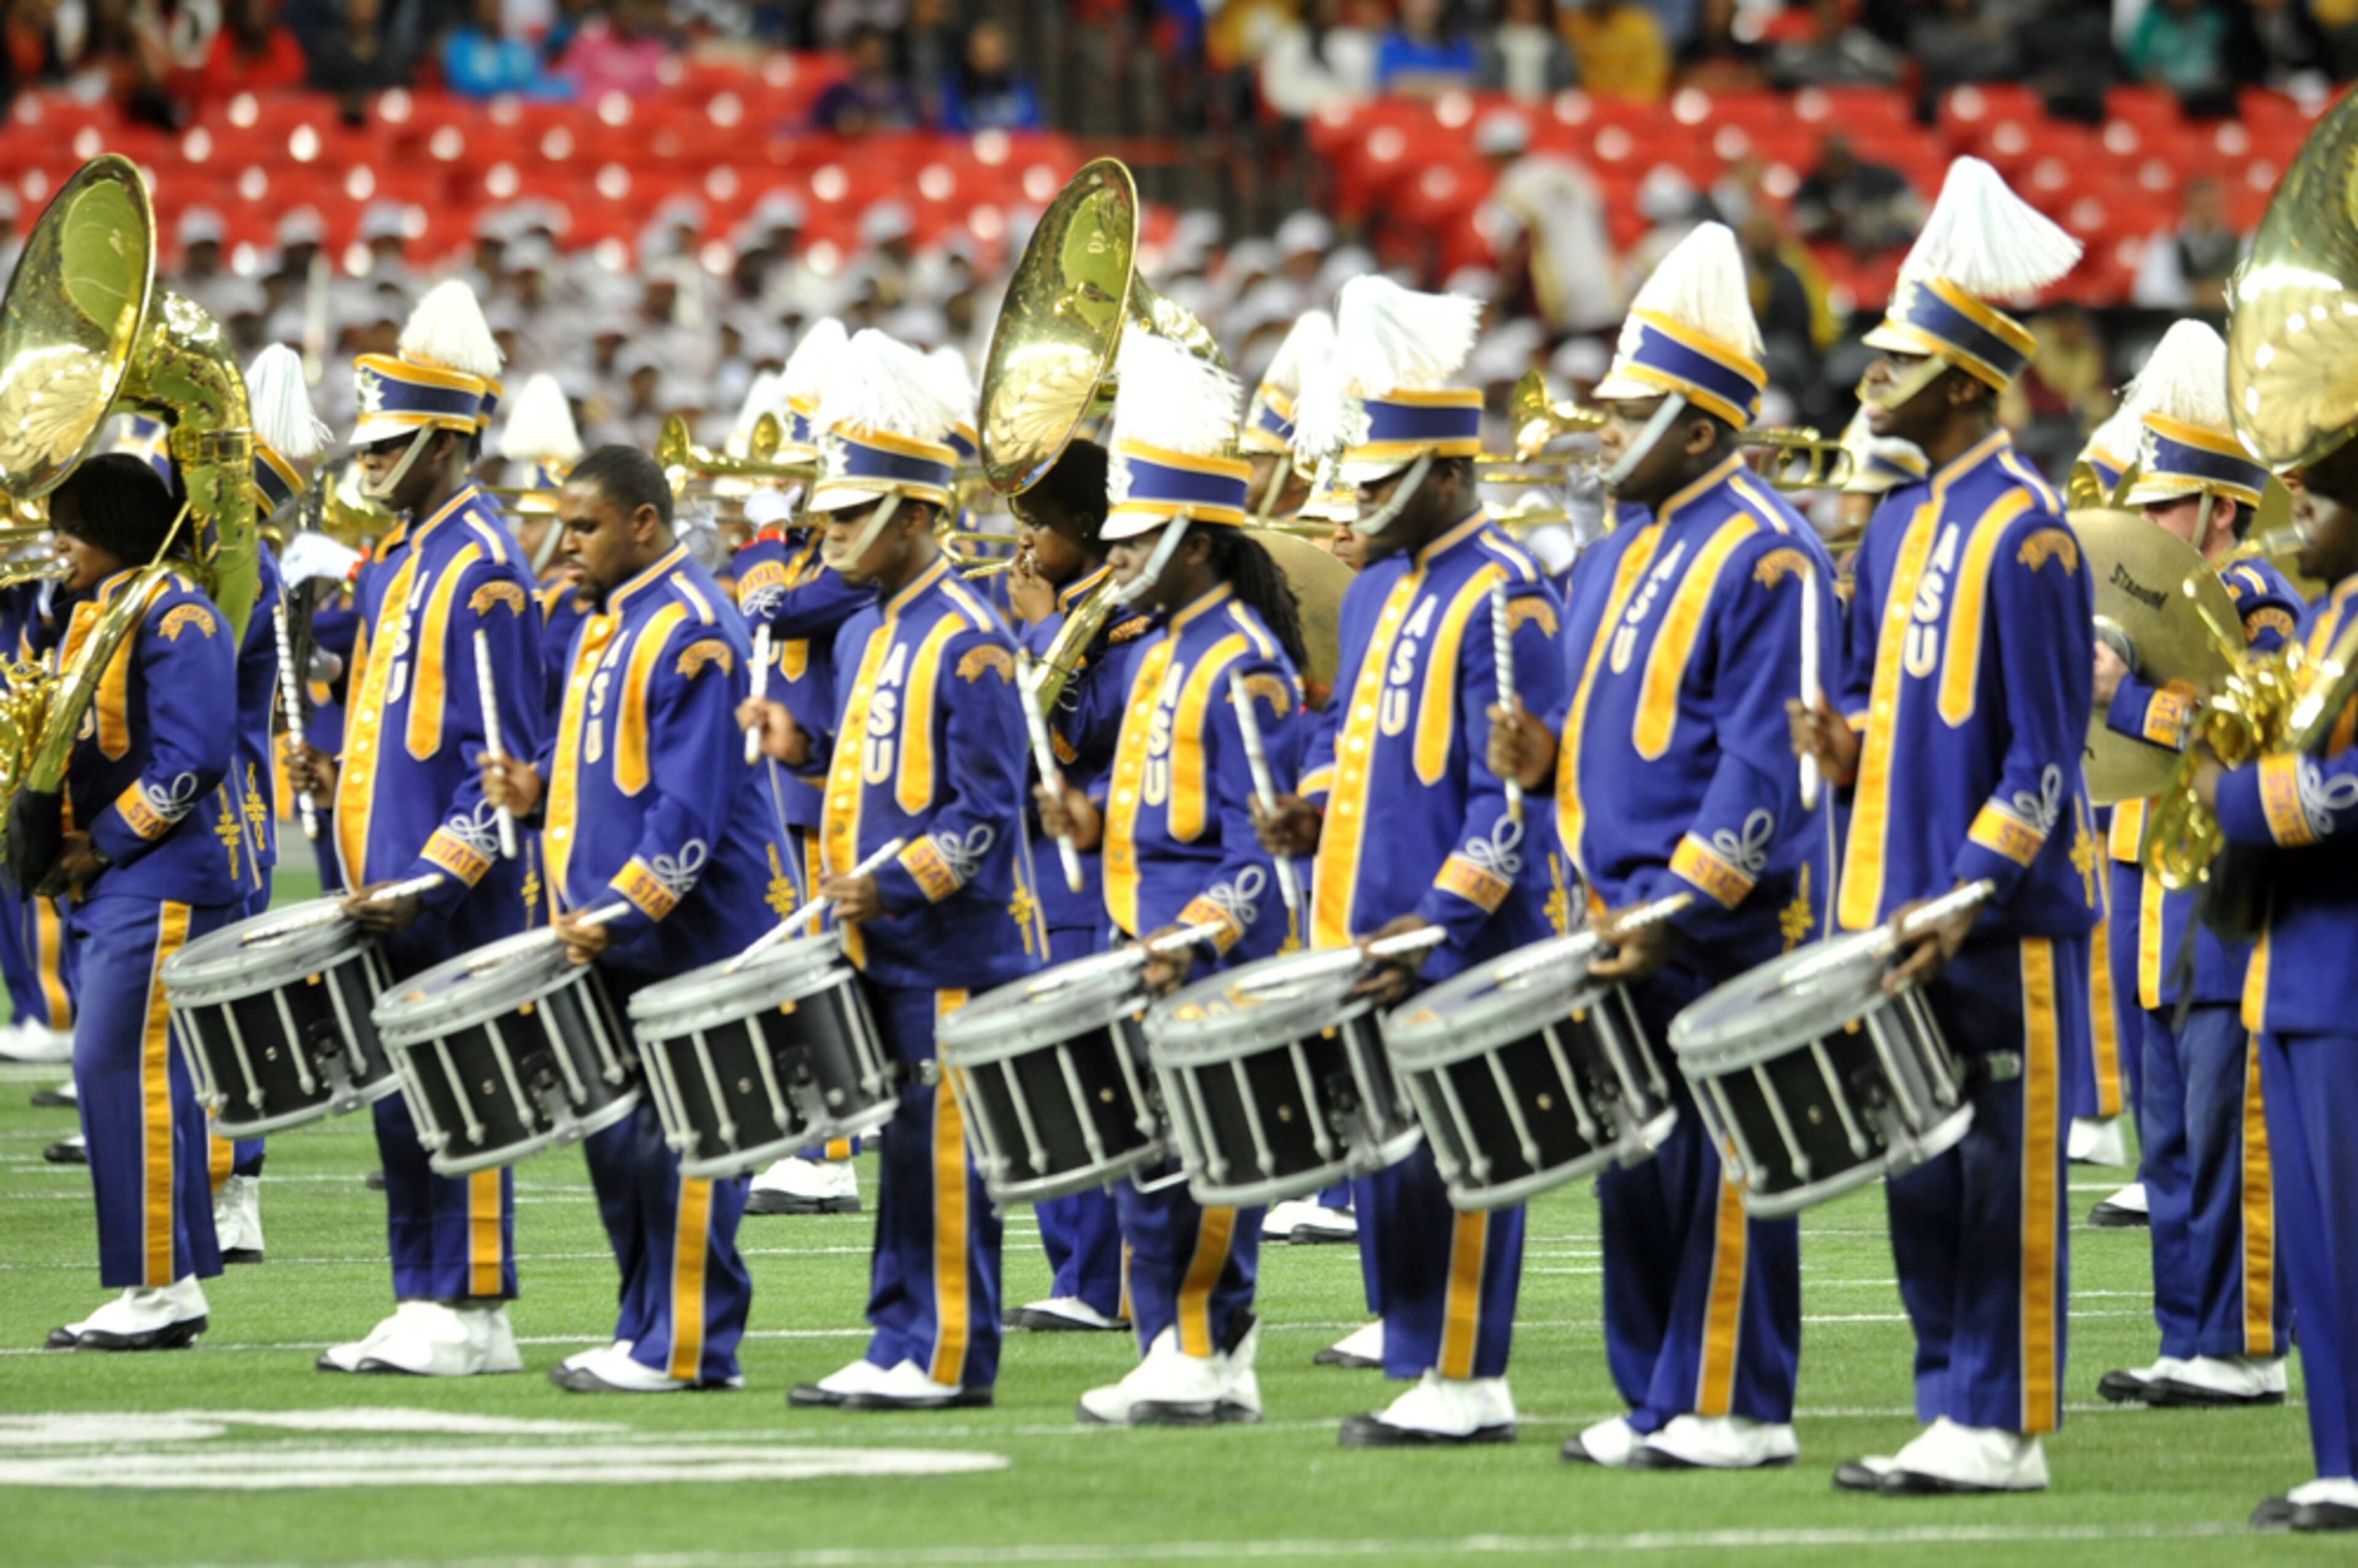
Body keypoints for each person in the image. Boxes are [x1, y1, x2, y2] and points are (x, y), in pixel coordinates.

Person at [1492, 222, 1832, 1472]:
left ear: (1700, 426)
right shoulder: (1614, 546)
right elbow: (1605, 732)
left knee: (1727, 1165)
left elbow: (1765, 763)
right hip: (1612, 909)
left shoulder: (1771, 548)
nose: (1601, 427)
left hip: (1716, 923)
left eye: (1634, 408)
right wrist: (1543, 763)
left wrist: (1676, 908)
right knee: (1638, 1169)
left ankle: (1739, 1401)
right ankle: (1653, 1397)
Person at [1791, 155, 2095, 1495]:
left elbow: (2042, 759)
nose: (1875, 379)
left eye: (1901, 364)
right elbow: (1908, 723)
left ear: (1966, 382)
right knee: (1920, 1173)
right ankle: (1946, 1403)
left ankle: (2006, 1418)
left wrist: (1960, 895)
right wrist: (1849, 747)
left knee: (2002, 1179)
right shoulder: (1907, 521)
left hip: (1989, 921)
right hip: (1903, 912)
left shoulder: (2032, 532)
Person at [1258, 276, 1566, 1446]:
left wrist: (1437, 921)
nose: (1362, 506)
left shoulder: (1508, 594)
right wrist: (1314, 807)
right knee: (1392, 1168)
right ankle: (1421, 1361)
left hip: (1454, 940)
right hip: (1375, 929)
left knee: (1465, 1155)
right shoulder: (1391, 589)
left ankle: (1470, 1375)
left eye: (1382, 483)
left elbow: (1511, 806)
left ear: (1446, 474)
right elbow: (1374, 752)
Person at [744, 328, 1033, 1413]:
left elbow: (984, 817)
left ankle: (948, 1352)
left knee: (946, 1162)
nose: (835, 538)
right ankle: (899, 1335)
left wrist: (891, 881)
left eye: (857, 516)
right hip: (886, 944)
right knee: (908, 1157)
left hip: (950, 950)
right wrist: (803, 752)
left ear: (919, 515)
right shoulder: (880, 630)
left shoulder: (968, 636)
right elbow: (887, 771)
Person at [1032, 328, 1309, 1424]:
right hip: (1139, 941)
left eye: (1141, 538)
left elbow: (1258, 860)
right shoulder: (1159, 650)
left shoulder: (1240, 658)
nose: (1121, 555)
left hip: (1198, 958)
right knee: (1151, 1164)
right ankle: (1174, 1344)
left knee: (1198, 1166)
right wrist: (1089, 816)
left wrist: (1187, 939)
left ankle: (1207, 1345)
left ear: (1194, 542)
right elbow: (1160, 811)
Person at [284, 280, 544, 1378]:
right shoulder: (403, 559)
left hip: (449, 892)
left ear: (448, 441)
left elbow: (501, 761)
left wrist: (433, 880)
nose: (372, 462)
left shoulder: (480, 562)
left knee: (464, 1089)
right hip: (386, 880)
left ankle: (474, 1304)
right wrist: (333, 764)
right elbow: (411, 729)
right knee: (403, 1104)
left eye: (395, 444)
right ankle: (423, 1294)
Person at [479, 444, 768, 1391]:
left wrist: (621, 908)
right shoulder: (613, 622)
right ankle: (642, 1322)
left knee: (684, 1140)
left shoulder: (694, 629)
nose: (567, 544)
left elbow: (691, 808)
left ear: (644, 523)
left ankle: (688, 1345)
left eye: (585, 526)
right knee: (618, 1143)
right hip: (609, 930)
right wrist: (534, 794)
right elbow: (607, 772)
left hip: (689, 933)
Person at [2086, 321, 2295, 1416]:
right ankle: (2190, 1338)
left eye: (2169, 504)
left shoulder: (2258, 596)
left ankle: (2248, 1342)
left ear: (2221, 507)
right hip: (2137, 878)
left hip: (2219, 892)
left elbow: (2249, 733)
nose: (2148, 524)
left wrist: (2121, 695)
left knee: (2229, 1118)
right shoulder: (2130, 594)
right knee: (2165, 1130)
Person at [36, 455, 256, 1348]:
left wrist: (106, 840)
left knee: (120, 1069)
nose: (56, 547)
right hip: (121, 883)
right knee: (116, 1072)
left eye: (70, 529)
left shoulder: (178, 612)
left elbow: (194, 756)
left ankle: (160, 1287)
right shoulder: (100, 612)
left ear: (112, 531)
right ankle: (163, 1282)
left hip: (161, 877)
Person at [2193, 355, 2358, 1534]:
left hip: (2349, 963)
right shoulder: (2339, 610)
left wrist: (2243, 800)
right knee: (2317, 1246)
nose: (2295, 493)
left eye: (2326, 480)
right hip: (2295, 965)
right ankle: (2341, 1454)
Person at [994, 433, 1146, 1333]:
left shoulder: (1119, 616)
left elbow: (1081, 730)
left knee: (1095, 1069)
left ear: (1086, 529)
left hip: (1092, 868)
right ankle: (1073, 1271)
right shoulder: (1058, 608)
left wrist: (1045, 627)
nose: (1022, 545)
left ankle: (1108, 1279)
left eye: (1039, 527)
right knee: (1051, 1070)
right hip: (1039, 868)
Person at [730, 320, 878, 1219]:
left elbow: (794, 609)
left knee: (830, 958)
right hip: (796, 778)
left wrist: (756, 562)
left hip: (829, 776)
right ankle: (822, 1136)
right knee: (805, 955)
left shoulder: (843, 560)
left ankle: (829, 1151)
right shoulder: (807, 545)